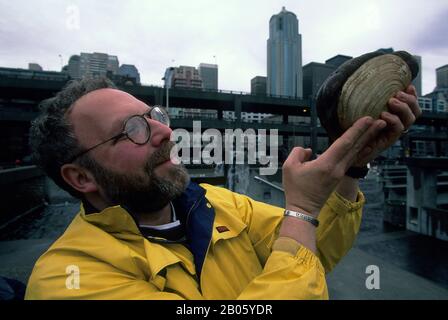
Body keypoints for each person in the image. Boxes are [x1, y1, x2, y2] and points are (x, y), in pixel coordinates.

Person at [25, 78, 420, 299]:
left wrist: (351, 165)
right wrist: (300, 209)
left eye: (153, 115)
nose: (164, 131)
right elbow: (301, 232)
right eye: (133, 129)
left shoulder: (218, 204)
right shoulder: (66, 279)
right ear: (81, 178)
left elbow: (314, 253)